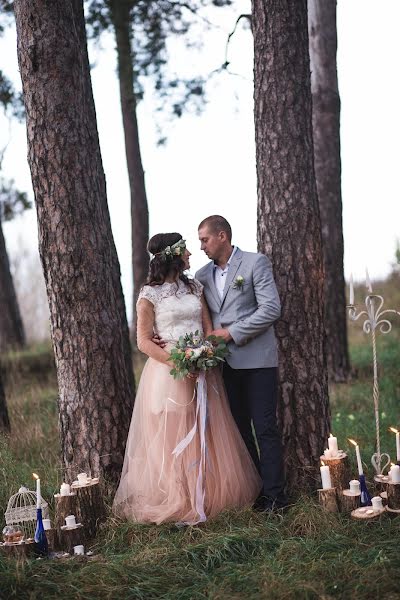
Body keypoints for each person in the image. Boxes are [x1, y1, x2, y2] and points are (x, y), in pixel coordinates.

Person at [113, 232, 261, 525]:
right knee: (174, 436)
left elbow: (207, 328)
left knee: (207, 430)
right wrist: (179, 361)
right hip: (169, 373)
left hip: (204, 371)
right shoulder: (149, 295)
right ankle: (179, 497)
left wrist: (204, 355)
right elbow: (143, 341)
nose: (191, 254)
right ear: (173, 255)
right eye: (185, 250)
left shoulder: (194, 287)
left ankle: (207, 496)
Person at [195, 216, 286, 511]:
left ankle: (276, 498)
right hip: (225, 366)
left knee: (265, 428)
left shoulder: (255, 263)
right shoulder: (201, 275)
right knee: (240, 431)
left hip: (258, 360)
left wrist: (232, 333)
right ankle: (257, 492)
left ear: (222, 236)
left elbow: (271, 308)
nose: (201, 247)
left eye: (204, 240)